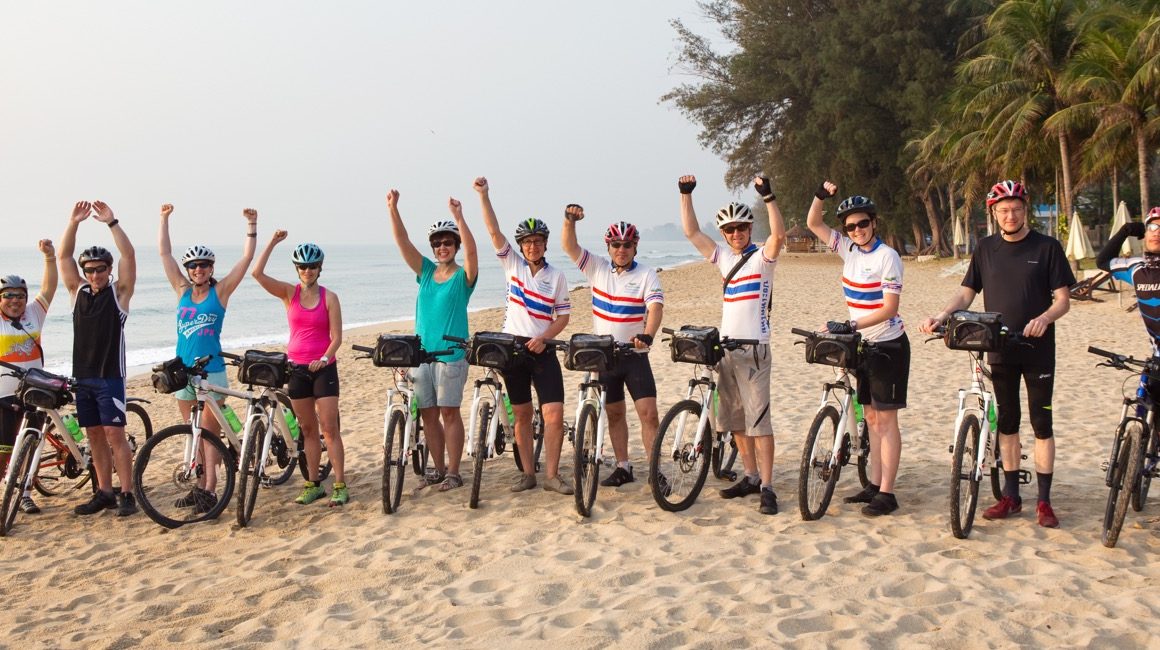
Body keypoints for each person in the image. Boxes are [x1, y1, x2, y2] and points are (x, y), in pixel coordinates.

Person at [919, 180, 1074, 528]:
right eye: (1003, 210)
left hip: (1038, 349)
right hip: (999, 347)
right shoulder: (986, 249)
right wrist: (942, 316)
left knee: (1041, 422)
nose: (1010, 215)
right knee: (1007, 421)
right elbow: (966, 294)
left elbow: (1063, 300)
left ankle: (1045, 502)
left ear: (1025, 209)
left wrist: (1045, 317)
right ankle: (1011, 496)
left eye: (1016, 208)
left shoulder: (1048, 247)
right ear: (993, 213)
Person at [678, 174, 786, 515]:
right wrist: (686, 194)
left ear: (749, 229)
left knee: (760, 423)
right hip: (726, 351)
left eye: (741, 228)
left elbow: (779, 236)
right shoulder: (724, 258)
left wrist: (768, 197)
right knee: (736, 421)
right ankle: (751, 476)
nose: (735, 234)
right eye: (729, 230)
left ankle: (767, 486)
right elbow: (692, 233)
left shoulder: (761, 259)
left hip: (755, 350)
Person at [806, 182, 910, 516]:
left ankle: (888, 493)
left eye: (863, 223)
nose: (857, 230)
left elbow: (890, 308)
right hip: (863, 345)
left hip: (889, 344)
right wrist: (820, 196)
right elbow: (813, 223)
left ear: (874, 223)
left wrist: (850, 325)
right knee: (871, 418)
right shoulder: (847, 249)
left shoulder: (887, 257)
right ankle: (874, 485)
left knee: (886, 421)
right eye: (850, 226)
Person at [474, 176, 574, 495]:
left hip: (543, 351)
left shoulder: (556, 276)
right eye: (527, 242)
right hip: (512, 351)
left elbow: (564, 316)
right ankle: (528, 473)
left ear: (545, 244)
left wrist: (544, 337)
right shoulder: (512, 266)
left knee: (553, 415)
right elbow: (493, 231)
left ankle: (553, 475)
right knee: (521, 415)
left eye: (538, 241)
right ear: (521, 246)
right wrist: (484, 195)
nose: (532, 246)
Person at [158, 204, 258, 514]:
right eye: (193, 266)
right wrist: (164, 219)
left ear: (210, 269)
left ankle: (210, 489)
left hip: (211, 372)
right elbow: (165, 255)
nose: (198, 270)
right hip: (182, 372)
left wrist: (251, 226)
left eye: (203, 266)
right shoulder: (182, 291)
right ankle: (197, 486)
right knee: (192, 432)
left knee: (210, 435)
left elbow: (245, 260)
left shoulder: (221, 292)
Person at [560, 205, 663, 488]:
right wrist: (570, 221)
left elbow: (655, 308)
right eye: (616, 244)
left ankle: (655, 471)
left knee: (648, 414)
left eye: (627, 244)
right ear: (609, 246)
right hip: (604, 357)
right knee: (615, 414)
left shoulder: (646, 274)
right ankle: (623, 466)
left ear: (635, 246)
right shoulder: (597, 268)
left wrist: (648, 334)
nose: (622, 249)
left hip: (634, 355)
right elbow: (569, 245)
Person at [386, 189, 478, 492]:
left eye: (448, 242)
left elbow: (474, 253)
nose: (442, 247)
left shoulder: (463, 276)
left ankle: (453, 472)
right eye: (437, 243)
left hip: (451, 356)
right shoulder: (425, 272)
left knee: (450, 413)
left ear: (456, 246)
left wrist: (459, 218)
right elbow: (402, 243)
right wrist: (393, 209)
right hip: (421, 357)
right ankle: (438, 469)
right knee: (428, 416)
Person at [251, 232, 348, 506]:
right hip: (296, 369)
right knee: (306, 430)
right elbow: (257, 274)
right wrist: (271, 243)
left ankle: (340, 484)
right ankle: (313, 483)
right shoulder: (288, 293)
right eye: (303, 267)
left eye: (313, 266)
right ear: (297, 269)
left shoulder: (330, 298)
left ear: (320, 268)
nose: (308, 271)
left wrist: (325, 358)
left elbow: (337, 337)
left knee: (329, 428)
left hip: (324, 368)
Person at [58, 201, 139, 517]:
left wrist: (112, 223)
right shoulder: (77, 292)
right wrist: (73, 222)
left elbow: (129, 257)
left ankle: (127, 494)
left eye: (99, 269)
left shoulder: (119, 294)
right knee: (93, 436)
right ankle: (105, 491)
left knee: (114, 435)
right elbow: (64, 257)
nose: (93, 274)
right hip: (83, 377)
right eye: (88, 269)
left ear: (108, 270)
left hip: (109, 377)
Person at [0, 240, 58, 515]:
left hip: (35, 391)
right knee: (4, 450)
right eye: (8, 295)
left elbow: (49, 288)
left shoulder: (34, 313)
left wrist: (49, 257)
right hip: (3, 395)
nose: (15, 300)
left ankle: (25, 494)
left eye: (19, 295)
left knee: (31, 445)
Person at [1096, 207, 1160, 354]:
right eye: (1152, 227)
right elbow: (1103, 261)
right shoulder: (1136, 268)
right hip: (1156, 356)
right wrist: (1125, 231)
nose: (1156, 232)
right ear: (1144, 233)